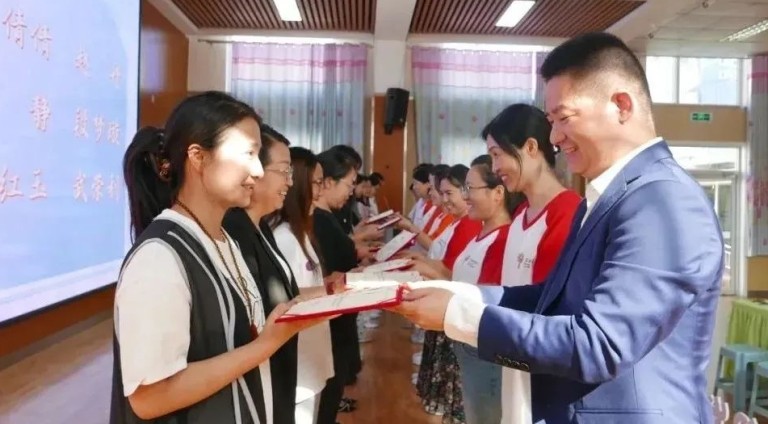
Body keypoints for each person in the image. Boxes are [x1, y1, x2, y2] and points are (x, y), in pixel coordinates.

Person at [393, 32, 723, 423]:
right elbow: (552, 299)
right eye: (551, 122)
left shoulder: (662, 199)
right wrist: (462, 294)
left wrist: (460, 315)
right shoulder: (607, 198)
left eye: (564, 118)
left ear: (621, 105)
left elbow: (600, 344)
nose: (554, 137)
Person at [112, 91, 324, 423]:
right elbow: (150, 397)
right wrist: (265, 346)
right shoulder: (159, 258)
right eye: (248, 154)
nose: (258, 170)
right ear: (198, 156)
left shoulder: (223, 241)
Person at [459, 104, 583, 424]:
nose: (495, 167)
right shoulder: (519, 218)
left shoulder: (568, 214)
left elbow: (550, 313)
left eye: (498, 155)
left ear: (530, 147)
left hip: (545, 376)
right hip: (515, 363)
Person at [222, 124, 300, 424]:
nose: (289, 182)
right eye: (284, 171)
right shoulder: (234, 230)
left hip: (278, 363)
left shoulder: (262, 226)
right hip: (258, 373)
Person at [270, 146, 335, 424]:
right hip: (299, 361)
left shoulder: (300, 233)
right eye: (317, 183)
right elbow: (288, 299)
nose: (321, 191)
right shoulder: (284, 237)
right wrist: (335, 293)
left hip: (310, 355)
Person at [313, 148, 364, 423]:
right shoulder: (318, 221)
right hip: (331, 323)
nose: (351, 192)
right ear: (328, 182)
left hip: (339, 319)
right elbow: (329, 275)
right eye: (349, 184)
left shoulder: (328, 217)